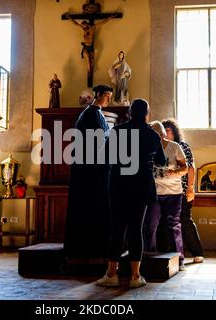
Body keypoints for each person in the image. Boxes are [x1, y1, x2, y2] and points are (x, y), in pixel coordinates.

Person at [96, 99, 167, 289]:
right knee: (136, 229)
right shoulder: (152, 134)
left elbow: (104, 156)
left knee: (117, 229)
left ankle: (111, 274)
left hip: (119, 184)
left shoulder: (117, 131)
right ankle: (136, 276)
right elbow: (162, 161)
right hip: (141, 186)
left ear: (129, 113)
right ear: (147, 114)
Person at [63, 84, 113, 259]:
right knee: (89, 206)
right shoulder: (91, 114)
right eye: (107, 95)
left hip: (93, 167)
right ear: (98, 95)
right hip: (88, 169)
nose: (109, 99)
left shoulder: (96, 113)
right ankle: (88, 247)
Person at [143, 121, 188, 271]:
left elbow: (185, 168)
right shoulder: (148, 147)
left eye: (158, 133)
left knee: (174, 225)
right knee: (151, 225)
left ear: (163, 133)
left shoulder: (174, 147)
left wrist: (175, 172)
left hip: (173, 193)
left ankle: (180, 259)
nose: (155, 136)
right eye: (152, 133)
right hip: (154, 193)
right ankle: (150, 256)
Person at [162, 119, 204, 264]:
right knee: (167, 223)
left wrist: (190, 189)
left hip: (182, 190)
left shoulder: (182, 146)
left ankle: (197, 252)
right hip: (165, 191)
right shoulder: (161, 146)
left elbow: (191, 167)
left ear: (174, 132)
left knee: (184, 220)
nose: (165, 133)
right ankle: (171, 255)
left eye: (167, 130)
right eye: (163, 130)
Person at [65, 13, 117, 85]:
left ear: (87, 24)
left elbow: (103, 22)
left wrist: (110, 17)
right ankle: (89, 71)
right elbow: (76, 24)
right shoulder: (84, 29)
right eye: (83, 26)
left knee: (92, 62)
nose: (83, 27)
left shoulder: (92, 28)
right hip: (86, 47)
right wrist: (70, 18)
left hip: (91, 47)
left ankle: (90, 71)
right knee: (88, 59)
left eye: (84, 25)